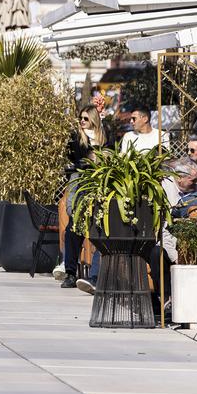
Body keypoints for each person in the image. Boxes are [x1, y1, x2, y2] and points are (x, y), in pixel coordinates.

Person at [58, 103, 109, 289]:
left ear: (94, 119)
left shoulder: (105, 137)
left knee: (99, 230)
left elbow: (109, 156)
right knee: (73, 230)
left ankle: (94, 276)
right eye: (80, 118)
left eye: (86, 118)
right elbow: (75, 157)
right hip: (81, 184)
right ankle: (70, 272)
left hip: (100, 186)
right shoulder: (77, 138)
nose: (82, 121)